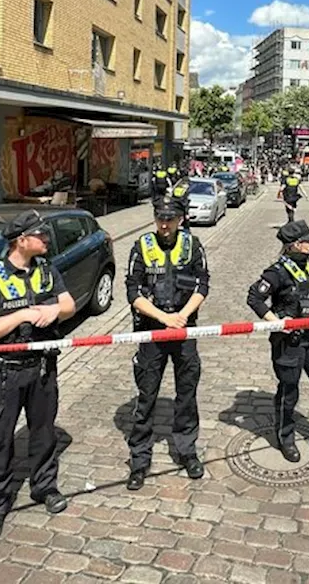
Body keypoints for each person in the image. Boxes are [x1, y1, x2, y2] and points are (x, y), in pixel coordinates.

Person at [0, 209, 76, 541]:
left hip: (42, 368)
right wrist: (23, 316)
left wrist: (53, 310)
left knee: (44, 434)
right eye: (39, 235)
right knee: (0, 440)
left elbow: (69, 305)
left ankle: (45, 487)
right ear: (21, 241)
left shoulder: (47, 271)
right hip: (5, 373)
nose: (46, 239)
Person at [123, 194, 211, 490]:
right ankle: (139, 460)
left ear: (180, 220)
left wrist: (182, 316)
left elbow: (203, 284)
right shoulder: (141, 247)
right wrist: (163, 317)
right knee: (146, 396)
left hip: (184, 331)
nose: (164, 225)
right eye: (160, 218)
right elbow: (133, 292)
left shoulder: (193, 246)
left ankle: (187, 451)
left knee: (187, 393)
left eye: (169, 219)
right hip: (153, 332)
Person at [246, 221, 309, 462]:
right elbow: (254, 297)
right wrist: (277, 323)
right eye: (307, 240)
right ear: (294, 245)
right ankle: (286, 439)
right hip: (289, 342)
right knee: (289, 391)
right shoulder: (276, 272)